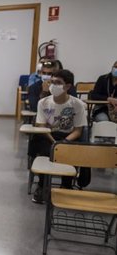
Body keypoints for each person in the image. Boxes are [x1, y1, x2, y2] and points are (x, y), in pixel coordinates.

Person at [29, 69, 87, 203]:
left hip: (68, 136)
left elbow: (78, 130)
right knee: (45, 151)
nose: (53, 85)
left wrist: (64, 142)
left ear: (67, 86)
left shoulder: (76, 104)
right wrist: (54, 142)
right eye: (52, 81)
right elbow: (41, 127)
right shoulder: (43, 102)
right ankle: (42, 185)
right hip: (48, 135)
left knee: (69, 151)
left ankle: (66, 185)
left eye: (58, 82)